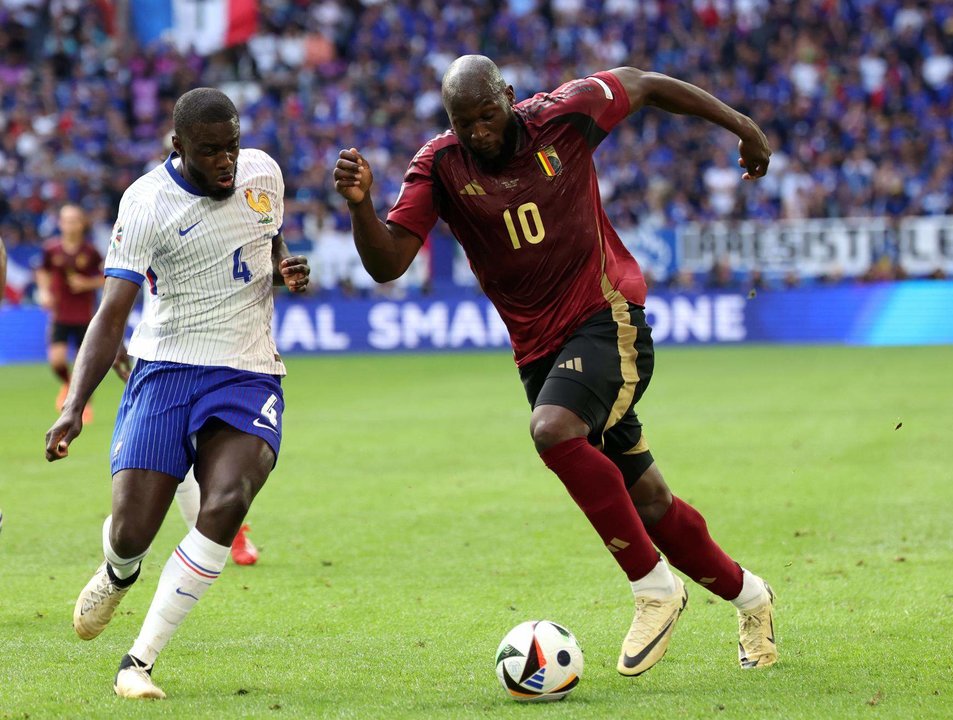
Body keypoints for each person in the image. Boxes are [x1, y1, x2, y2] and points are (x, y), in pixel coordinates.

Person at [333, 55, 778, 676]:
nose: (478, 132)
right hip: (539, 353)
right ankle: (754, 600)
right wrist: (361, 208)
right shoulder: (439, 164)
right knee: (648, 499)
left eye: (487, 115)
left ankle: (653, 587)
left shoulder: (565, 115)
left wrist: (743, 126)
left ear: (508, 98)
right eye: (464, 123)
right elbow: (387, 264)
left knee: (553, 430)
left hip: (608, 319)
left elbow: (646, 84)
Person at [45, 87, 309, 699]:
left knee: (228, 498)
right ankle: (117, 572)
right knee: (133, 531)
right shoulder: (144, 203)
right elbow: (112, 314)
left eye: (232, 148)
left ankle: (138, 661)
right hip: (164, 367)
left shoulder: (263, 172)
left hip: (247, 370)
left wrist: (284, 265)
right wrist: (71, 406)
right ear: (178, 147)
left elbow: (266, 239)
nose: (226, 162)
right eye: (211, 151)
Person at [34, 204, 109, 420]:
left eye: (74, 220)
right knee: (57, 361)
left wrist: (87, 283)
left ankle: (82, 404)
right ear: (60, 223)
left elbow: (106, 278)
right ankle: (69, 386)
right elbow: (43, 271)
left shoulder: (91, 251)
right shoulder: (51, 249)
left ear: (82, 223)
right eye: (66, 220)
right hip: (60, 314)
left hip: (84, 315)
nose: (70, 225)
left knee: (82, 365)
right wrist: (44, 292)